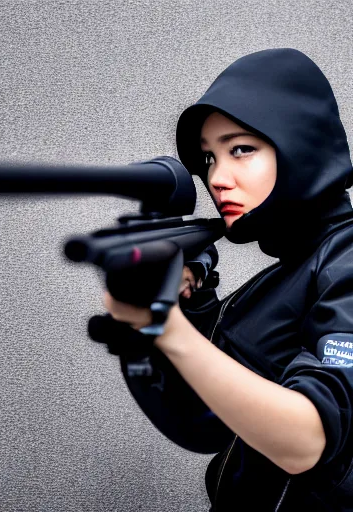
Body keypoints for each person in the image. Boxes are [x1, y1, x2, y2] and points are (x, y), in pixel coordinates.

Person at [91, 48, 353, 510]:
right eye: (210, 159)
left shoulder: (346, 259)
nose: (218, 178)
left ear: (299, 145)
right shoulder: (293, 271)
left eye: (241, 150)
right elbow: (205, 422)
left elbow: (307, 439)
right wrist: (186, 304)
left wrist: (169, 331)